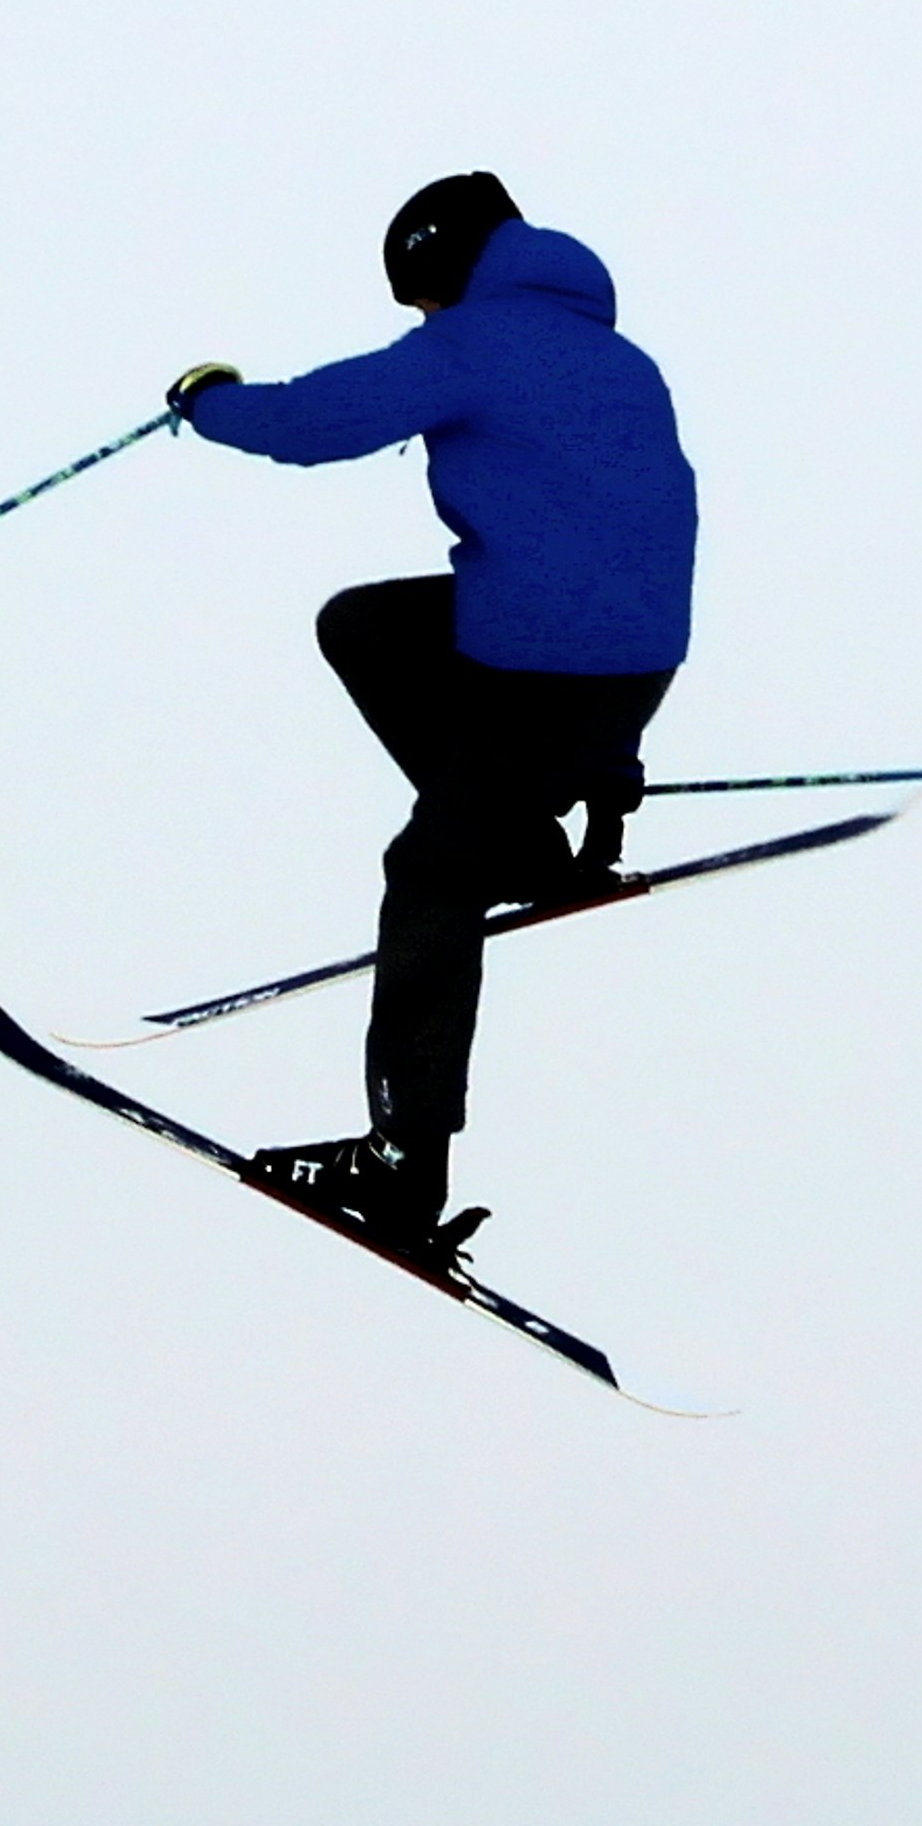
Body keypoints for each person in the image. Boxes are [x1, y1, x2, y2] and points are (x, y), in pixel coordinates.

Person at [169, 173, 699, 1265]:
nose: (421, 323)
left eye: (420, 302)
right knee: (367, 625)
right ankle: (531, 843)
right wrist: (610, 758)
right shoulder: (619, 358)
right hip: (628, 664)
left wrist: (206, 399)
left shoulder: (478, 343)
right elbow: (631, 534)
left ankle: (402, 1163)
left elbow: (314, 423)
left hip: (540, 668)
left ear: (442, 274)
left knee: (430, 875)